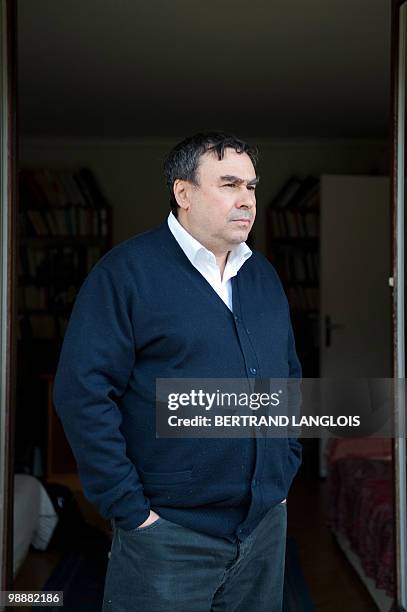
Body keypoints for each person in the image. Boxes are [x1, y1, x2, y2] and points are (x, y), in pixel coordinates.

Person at [53, 131, 302, 612]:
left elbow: (286, 377)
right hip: (167, 533)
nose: (246, 199)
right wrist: (131, 511)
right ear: (183, 192)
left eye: (251, 186)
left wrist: (283, 471)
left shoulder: (263, 276)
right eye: (229, 184)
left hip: (264, 526)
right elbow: (82, 393)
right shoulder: (126, 273)